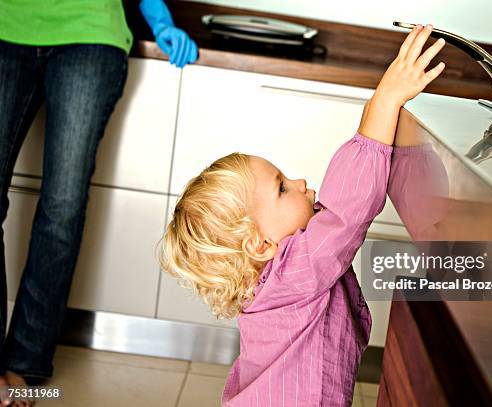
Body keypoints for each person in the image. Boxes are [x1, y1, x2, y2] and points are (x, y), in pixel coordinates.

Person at [159, 24, 445, 406]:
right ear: (260, 243)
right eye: (281, 187)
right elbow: (344, 215)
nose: (300, 181)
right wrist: (383, 102)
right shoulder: (292, 274)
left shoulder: (278, 279)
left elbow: (333, 218)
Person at [0, 0, 196, 405]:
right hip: (5, 26)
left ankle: (24, 365)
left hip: (90, 34)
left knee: (62, 208)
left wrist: (160, 20)